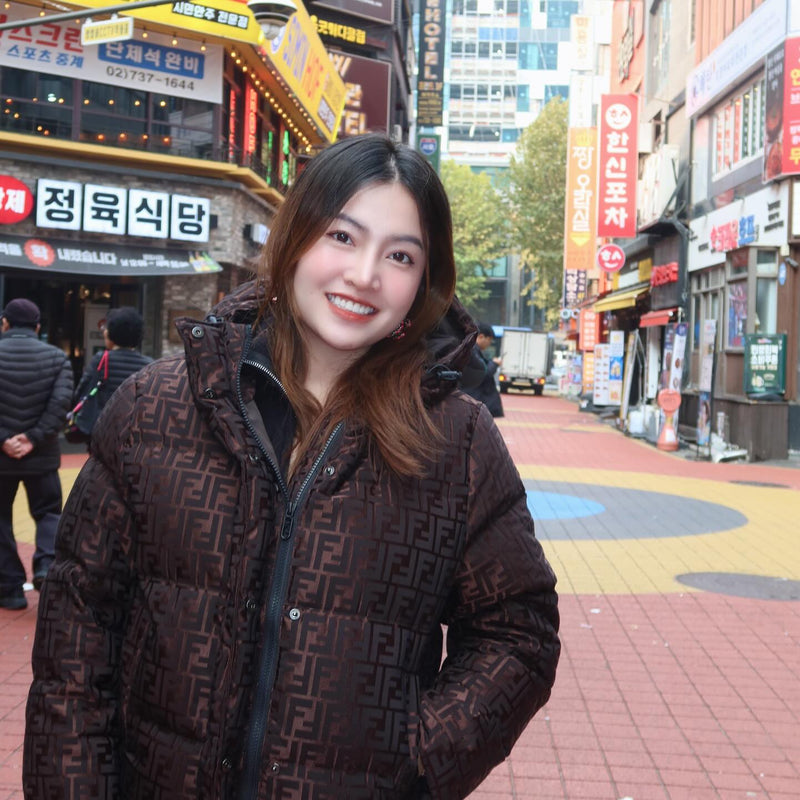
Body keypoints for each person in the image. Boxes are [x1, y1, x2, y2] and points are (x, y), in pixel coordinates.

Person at [24, 134, 560, 799]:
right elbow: (76, 643)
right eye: (342, 236)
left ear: (422, 282)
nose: (364, 274)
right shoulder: (155, 409)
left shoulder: (456, 439)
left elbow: (519, 633)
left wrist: (415, 755)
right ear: (296, 238)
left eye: (399, 256)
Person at [0, 299, 73, 611]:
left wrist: (5, 440)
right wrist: (32, 438)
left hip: (1, 457)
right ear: (38, 326)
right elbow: (61, 405)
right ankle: (44, 565)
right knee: (48, 512)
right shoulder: (58, 358)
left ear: (4, 323)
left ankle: (10, 589)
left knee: (0, 519)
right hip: (41, 455)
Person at [72, 306, 153, 432]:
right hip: (135, 429)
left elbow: (82, 391)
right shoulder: (149, 365)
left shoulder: (101, 359)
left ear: (110, 333)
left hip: (103, 428)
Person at [463, 321, 504, 417]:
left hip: (474, 401)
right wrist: (494, 363)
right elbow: (484, 373)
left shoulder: (473, 350)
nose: (489, 344)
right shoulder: (472, 351)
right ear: (481, 336)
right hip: (474, 401)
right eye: (489, 340)